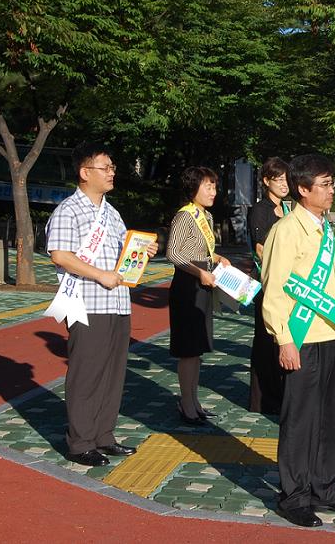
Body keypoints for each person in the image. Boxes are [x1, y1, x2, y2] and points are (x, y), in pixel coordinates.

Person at [261, 154, 335, 528]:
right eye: (324, 184)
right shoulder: (286, 231)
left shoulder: (325, 230)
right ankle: (295, 496)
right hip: (301, 339)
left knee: (334, 420)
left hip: (332, 338)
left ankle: (327, 487)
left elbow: (333, 286)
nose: (331, 190)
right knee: (300, 421)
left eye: (332, 182)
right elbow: (273, 291)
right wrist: (283, 340)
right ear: (303, 189)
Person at [46, 142, 158, 466]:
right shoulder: (68, 210)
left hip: (119, 302)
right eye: (104, 168)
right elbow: (60, 255)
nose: (112, 173)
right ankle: (80, 443)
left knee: (113, 373)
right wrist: (99, 275)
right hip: (87, 303)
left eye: (112, 167)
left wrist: (141, 254)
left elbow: (123, 257)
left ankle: (104, 436)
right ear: (85, 173)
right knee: (87, 373)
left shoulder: (112, 212)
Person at [166, 166, 230, 426]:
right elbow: (173, 253)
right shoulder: (185, 216)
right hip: (187, 285)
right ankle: (186, 403)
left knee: (197, 350)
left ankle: (193, 401)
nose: (213, 191)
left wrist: (216, 258)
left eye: (214, 186)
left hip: (202, 282)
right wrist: (198, 271)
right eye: (208, 186)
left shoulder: (205, 216)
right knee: (188, 350)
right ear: (193, 188)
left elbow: (200, 249)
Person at [248, 157, 291, 414]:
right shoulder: (260, 210)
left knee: (281, 339)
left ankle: (279, 393)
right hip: (267, 283)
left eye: (287, 179)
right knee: (265, 341)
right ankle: (262, 400)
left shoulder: (286, 209)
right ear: (266, 181)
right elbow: (260, 248)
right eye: (279, 179)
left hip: (286, 285)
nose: (285, 184)